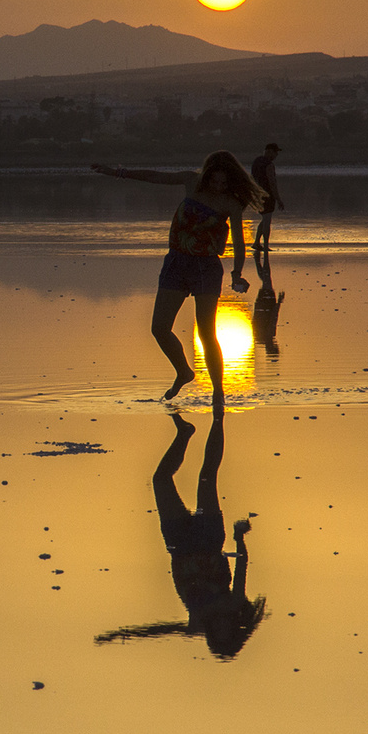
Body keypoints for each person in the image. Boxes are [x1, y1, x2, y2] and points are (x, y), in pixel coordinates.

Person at [93, 151, 267, 402]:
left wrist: (237, 273)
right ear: (206, 177)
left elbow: (239, 243)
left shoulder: (230, 203)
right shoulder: (191, 182)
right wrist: (118, 172)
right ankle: (184, 371)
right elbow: (155, 177)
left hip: (205, 268)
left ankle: (218, 393)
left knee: (207, 333)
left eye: (224, 183)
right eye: (214, 181)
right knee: (160, 329)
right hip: (176, 262)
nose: (218, 187)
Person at [92, 410, 266, 660]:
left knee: (160, 479)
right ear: (234, 630)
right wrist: (239, 537)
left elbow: (158, 631)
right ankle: (219, 418)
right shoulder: (233, 604)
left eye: (218, 635)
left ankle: (184, 434)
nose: (220, 628)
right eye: (227, 631)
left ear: (212, 638)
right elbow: (242, 568)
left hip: (179, 543)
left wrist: (122, 635)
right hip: (208, 538)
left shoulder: (196, 623)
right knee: (207, 476)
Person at [249, 143, 284, 251]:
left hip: (257, 194)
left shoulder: (256, 161)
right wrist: (278, 199)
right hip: (267, 195)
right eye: (275, 152)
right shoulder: (269, 165)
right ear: (269, 151)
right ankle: (265, 245)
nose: (276, 155)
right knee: (267, 220)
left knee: (264, 219)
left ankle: (256, 243)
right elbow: (272, 183)